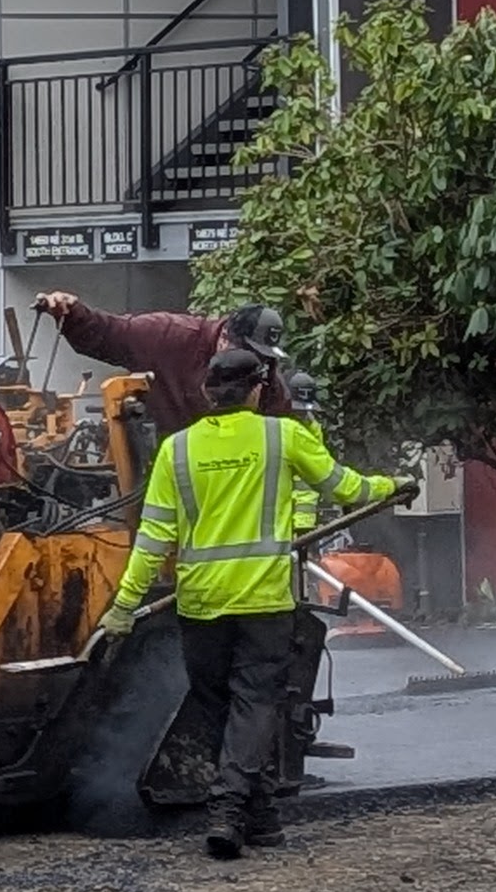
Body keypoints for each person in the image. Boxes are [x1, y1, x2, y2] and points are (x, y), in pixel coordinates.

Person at [95, 343, 403, 859]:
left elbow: (153, 539)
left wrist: (124, 606)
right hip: (263, 601)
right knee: (255, 704)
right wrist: (393, 484)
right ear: (258, 390)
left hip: (201, 605)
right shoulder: (283, 437)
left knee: (219, 708)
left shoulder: (177, 450)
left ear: (207, 392)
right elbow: (345, 487)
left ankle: (261, 817)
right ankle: (229, 808)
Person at [31, 291, 292, 433]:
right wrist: (74, 316)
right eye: (248, 351)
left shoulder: (268, 378)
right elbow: (113, 333)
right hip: (172, 471)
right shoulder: (171, 336)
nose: (254, 361)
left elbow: (285, 429)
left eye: (262, 357)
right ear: (224, 336)